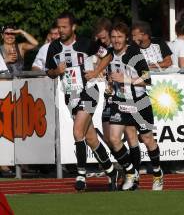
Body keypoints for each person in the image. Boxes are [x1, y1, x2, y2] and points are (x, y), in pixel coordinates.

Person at [45, 11, 119, 191]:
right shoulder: (54, 47)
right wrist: (57, 72)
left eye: (64, 27)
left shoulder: (86, 43)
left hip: (89, 91)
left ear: (73, 27)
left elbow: (108, 54)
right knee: (91, 138)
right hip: (70, 95)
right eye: (59, 27)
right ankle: (111, 171)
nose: (61, 30)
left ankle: (81, 174)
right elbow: (48, 71)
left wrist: (95, 72)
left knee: (78, 131)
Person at [107, 22, 164, 191]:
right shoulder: (109, 54)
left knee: (147, 139)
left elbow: (147, 79)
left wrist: (125, 80)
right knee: (114, 139)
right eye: (113, 37)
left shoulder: (134, 53)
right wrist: (110, 85)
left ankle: (158, 174)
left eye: (120, 37)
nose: (116, 40)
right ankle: (131, 172)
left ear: (126, 39)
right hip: (121, 102)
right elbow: (110, 76)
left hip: (139, 102)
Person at [94, 18, 142, 186]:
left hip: (128, 97)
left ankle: (133, 174)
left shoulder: (131, 51)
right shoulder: (105, 51)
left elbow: (144, 76)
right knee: (110, 138)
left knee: (130, 135)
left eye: (106, 37)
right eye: (102, 39)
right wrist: (103, 76)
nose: (109, 41)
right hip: (111, 98)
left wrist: (125, 79)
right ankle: (127, 169)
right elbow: (99, 65)